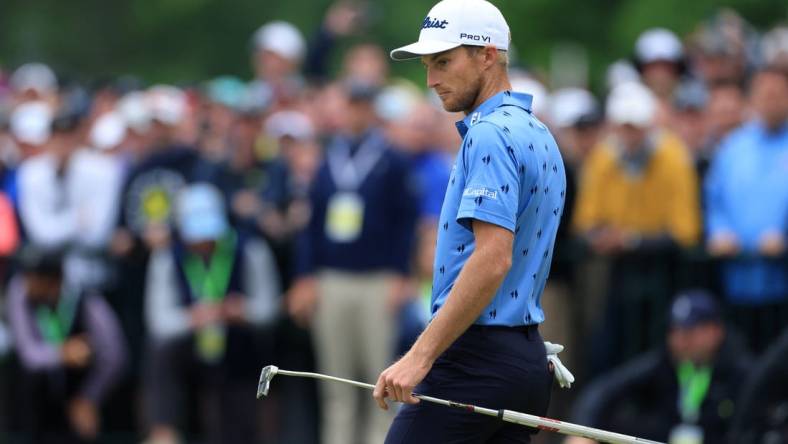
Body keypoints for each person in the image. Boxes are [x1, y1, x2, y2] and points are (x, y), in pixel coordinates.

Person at [377, 1, 572, 442]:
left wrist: (420, 356)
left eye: (444, 62)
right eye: (428, 65)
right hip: (522, 355)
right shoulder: (536, 130)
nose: (431, 80)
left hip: (475, 359)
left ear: (487, 54)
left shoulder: (488, 134)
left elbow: (493, 259)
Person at [287, 79, 420, 444]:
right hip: (332, 278)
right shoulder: (328, 157)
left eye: (363, 105)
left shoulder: (392, 159)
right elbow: (311, 222)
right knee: (336, 378)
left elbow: (405, 223)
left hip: (377, 280)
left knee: (380, 377)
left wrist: (400, 274)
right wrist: (305, 277)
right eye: (352, 105)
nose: (357, 112)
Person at [142, 183, 280, 444]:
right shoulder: (166, 257)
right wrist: (196, 317)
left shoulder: (250, 249)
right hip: (189, 349)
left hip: (237, 348)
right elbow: (158, 322)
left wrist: (242, 311)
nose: (204, 243)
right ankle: (163, 432)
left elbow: (269, 309)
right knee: (160, 351)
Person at [564, 291, 750, 444]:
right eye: (674, 331)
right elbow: (602, 391)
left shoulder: (741, 371)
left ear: (715, 331)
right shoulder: (663, 362)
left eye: (689, 332)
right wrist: (583, 431)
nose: (680, 341)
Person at [704, 64, 788, 353]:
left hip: (781, 284)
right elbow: (715, 201)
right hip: (736, 283)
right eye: (763, 93)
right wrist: (720, 231)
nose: (770, 99)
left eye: (777, 93)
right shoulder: (733, 148)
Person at [7, 246, 127, 443]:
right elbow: (27, 354)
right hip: (37, 400)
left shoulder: (86, 298)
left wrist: (89, 398)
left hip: (82, 390)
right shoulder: (19, 291)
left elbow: (115, 355)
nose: (27, 284)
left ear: (54, 281)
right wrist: (62, 353)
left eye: (34, 278)